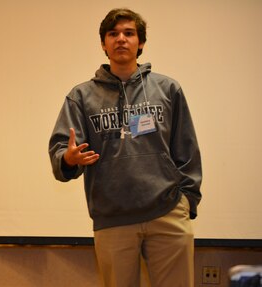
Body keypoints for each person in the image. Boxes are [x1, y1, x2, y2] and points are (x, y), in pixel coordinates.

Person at [48, 8, 202, 287]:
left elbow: (186, 148)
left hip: (167, 213)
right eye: (113, 34)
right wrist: (69, 159)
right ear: (103, 44)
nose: (121, 39)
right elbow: (61, 152)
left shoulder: (168, 89)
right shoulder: (80, 96)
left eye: (129, 33)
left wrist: (187, 200)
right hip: (113, 219)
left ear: (140, 43)